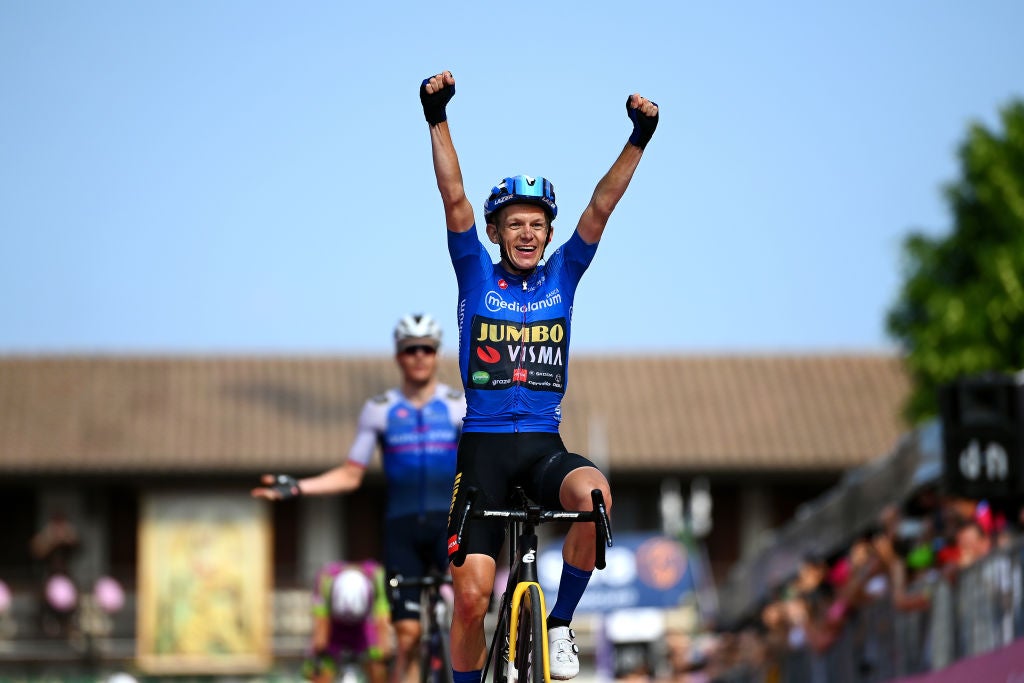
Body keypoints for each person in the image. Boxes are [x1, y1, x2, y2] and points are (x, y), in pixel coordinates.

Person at [419, 69, 659, 682]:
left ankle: (559, 627)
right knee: (470, 600)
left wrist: (639, 137)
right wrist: (437, 117)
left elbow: (601, 207)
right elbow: (455, 201)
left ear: (548, 234)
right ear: (496, 234)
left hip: (543, 448)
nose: (527, 233)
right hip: (485, 453)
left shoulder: (564, 276)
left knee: (596, 497)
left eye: (537, 224)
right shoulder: (474, 271)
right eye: (514, 224)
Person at [253, 313, 466, 683]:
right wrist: (299, 487)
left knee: (467, 616)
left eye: (426, 349)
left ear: (437, 354)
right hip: (402, 532)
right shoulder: (380, 409)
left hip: (448, 527)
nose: (419, 356)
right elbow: (351, 474)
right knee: (408, 636)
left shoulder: (457, 407)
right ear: (399, 356)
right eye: (410, 349)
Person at [303, 559, 392, 683]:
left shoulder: (377, 577)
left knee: (379, 666)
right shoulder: (325, 578)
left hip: (365, 628)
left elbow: (383, 620)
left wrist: (382, 654)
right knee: (319, 668)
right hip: (333, 627)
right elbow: (320, 628)